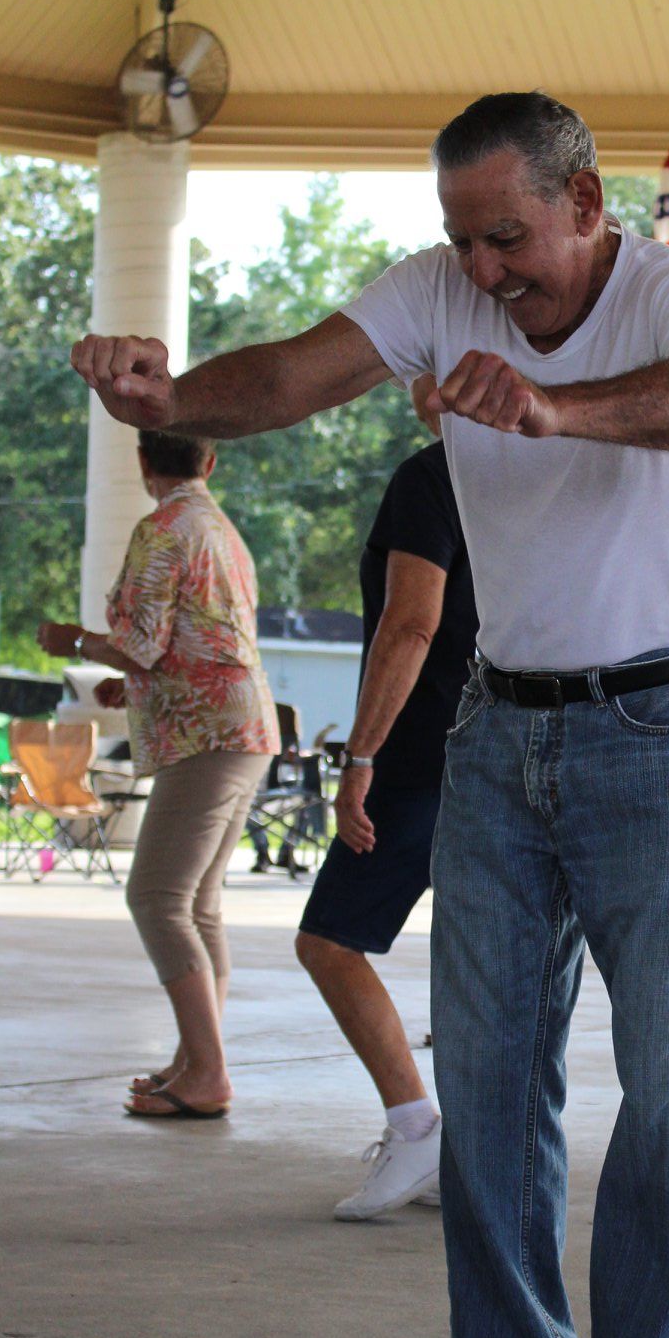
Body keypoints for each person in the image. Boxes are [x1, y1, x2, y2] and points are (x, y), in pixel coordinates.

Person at [69, 89, 669, 1338]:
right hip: (505, 726)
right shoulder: (438, 292)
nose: (485, 269)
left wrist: (558, 407)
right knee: (494, 1075)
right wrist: (169, 399)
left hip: (668, 724)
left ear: (585, 205)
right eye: (462, 237)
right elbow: (290, 379)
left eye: (509, 236)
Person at [37, 431, 279, 1119]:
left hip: (207, 733)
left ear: (143, 462)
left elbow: (141, 645)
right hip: (243, 726)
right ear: (210, 460)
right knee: (197, 904)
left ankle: (207, 1071)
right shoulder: (221, 529)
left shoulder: (163, 527)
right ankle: (198, 1060)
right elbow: (192, 640)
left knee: (155, 897)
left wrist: (76, 642)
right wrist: (139, 686)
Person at [294, 440, 478, 1222]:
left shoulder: (432, 474)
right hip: (513, 746)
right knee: (483, 962)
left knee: (330, 939)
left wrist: (360, 754)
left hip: (423, 749)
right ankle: (476, 1156)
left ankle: (416, 1127)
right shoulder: (544, 463)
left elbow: (410, 624)